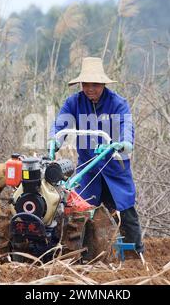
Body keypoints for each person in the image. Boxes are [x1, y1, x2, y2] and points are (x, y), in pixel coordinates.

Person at [49, 57, 144, 255]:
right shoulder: (74, 102)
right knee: (80, 211)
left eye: (95, 85)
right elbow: (61, 122)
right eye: (86, 85)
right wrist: (55, 139)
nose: (90, 89)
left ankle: (135, 254)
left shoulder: (117, 103)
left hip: (115, 166)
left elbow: (126, 126)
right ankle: (83, 254)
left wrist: (125, 143)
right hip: (88, 166)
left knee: (125, 209)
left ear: (102, 84)